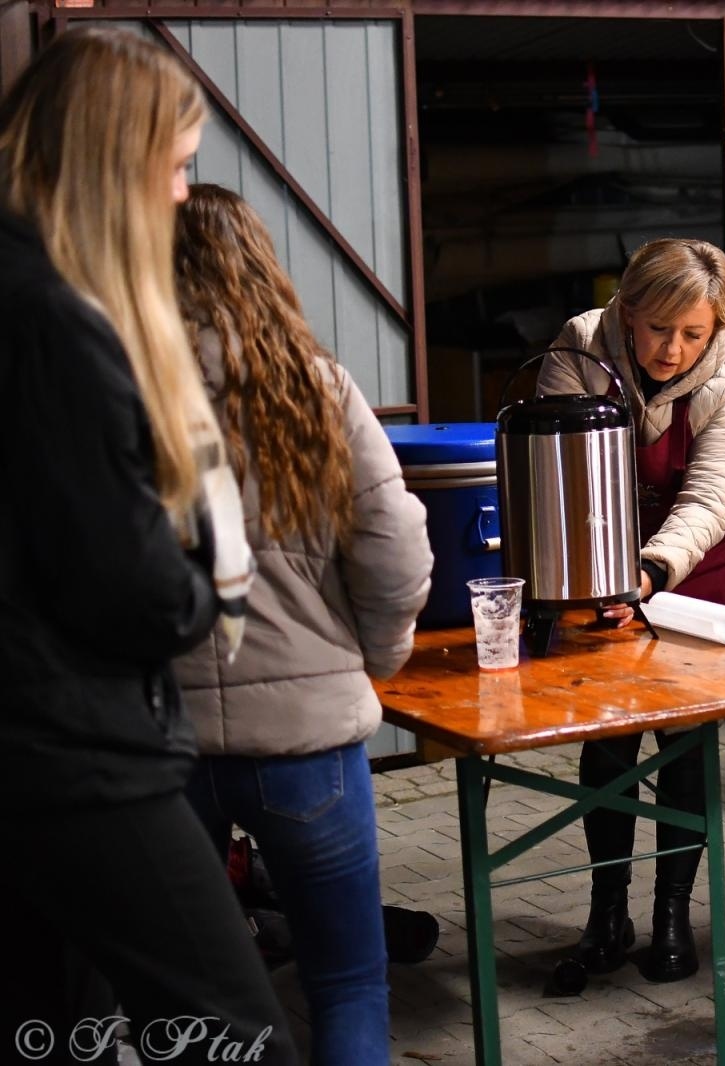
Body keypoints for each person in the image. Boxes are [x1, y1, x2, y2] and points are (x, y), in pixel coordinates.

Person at [0, 29, 296, 1063]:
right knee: (235, 1031)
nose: (181, 194)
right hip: (77, 751)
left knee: (55, 1035)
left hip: (35, 746)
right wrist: (204, 584)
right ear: (112, 160)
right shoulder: (53, 319)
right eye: (175, 166)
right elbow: (120, 583)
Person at [171, 184, 434, 1064]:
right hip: (309, 741)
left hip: (171, 740)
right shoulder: (314, 386)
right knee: (349, 980)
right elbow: (394, 545)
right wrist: (379, 659)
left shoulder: (120, 396)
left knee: (202, 992)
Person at [538, 238, 725, 984]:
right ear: (628, 313)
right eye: (660, 328)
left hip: (694, 570)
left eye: (693, 333)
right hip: (598, 565)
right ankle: (607, 913)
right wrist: (604, 577)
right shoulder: (578, 347)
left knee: (684, 738)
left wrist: (653, 568)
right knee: (610, 739)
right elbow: (566, 469)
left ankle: (671, 913)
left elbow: (709, 497)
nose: (674, 348)